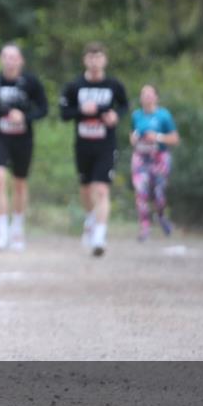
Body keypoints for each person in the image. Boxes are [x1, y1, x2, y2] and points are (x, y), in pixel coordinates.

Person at [59, 42, 129, 257]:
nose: (95, 61)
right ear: (85, 60)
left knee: (102, 189)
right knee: (86, 190)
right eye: (91, 57)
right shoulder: (75, 86)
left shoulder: (114, 85)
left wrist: (115, 116)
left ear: (105, 60)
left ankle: (99, 236)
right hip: (83, 144)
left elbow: (124, 106)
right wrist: (81, 110)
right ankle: (91, 219)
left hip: (105, 145)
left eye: (98, 57)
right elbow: (64, 113)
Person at [0, 44, 48, 251]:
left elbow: (43, 109)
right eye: (6, 57)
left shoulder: (31, 82)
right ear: (2, 59)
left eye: (13, 57)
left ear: (21, 61)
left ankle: (17, 230)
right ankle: (1, 233)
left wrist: (25, 117)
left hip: (22, 138)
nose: (9, 61)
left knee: (19, 184)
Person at [130, 85, 180, 241]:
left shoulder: (164, 115)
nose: (147, 97)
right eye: (144, 94)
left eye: (150, 94)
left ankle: (161, 216)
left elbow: (175, 139)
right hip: (141, 157)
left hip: (159, 158)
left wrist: (157, 137)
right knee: (141, 192)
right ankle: (144, 227)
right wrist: (134, 139)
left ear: (156, 97)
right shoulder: (136, 115)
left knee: (158, 193)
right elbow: (132, 134)